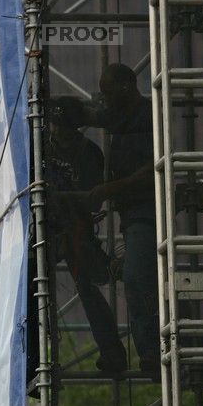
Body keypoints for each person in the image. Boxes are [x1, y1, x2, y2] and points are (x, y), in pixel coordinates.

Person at [55, 64, 160, 374]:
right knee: (129, 278)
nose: (103, 97)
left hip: (146, 210)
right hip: (129, 213)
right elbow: (83, 113)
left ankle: (152, 351)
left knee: (138, 278)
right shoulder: (119, 115)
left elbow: (153, 171)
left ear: (127, 87)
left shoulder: (147, 116)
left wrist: (107, 189)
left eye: (108, 90)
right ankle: (123, 353)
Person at [47, 104, 127, 373]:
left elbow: (93, 199)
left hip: (74, 229)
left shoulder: (88, 153)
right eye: (55, 125)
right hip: (46, 227)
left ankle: (112, 353)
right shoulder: (42, 148)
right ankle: (33, 358)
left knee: (89, 286)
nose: (57, 131)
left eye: (62, 125)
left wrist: (70, 204)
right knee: (30, 285)